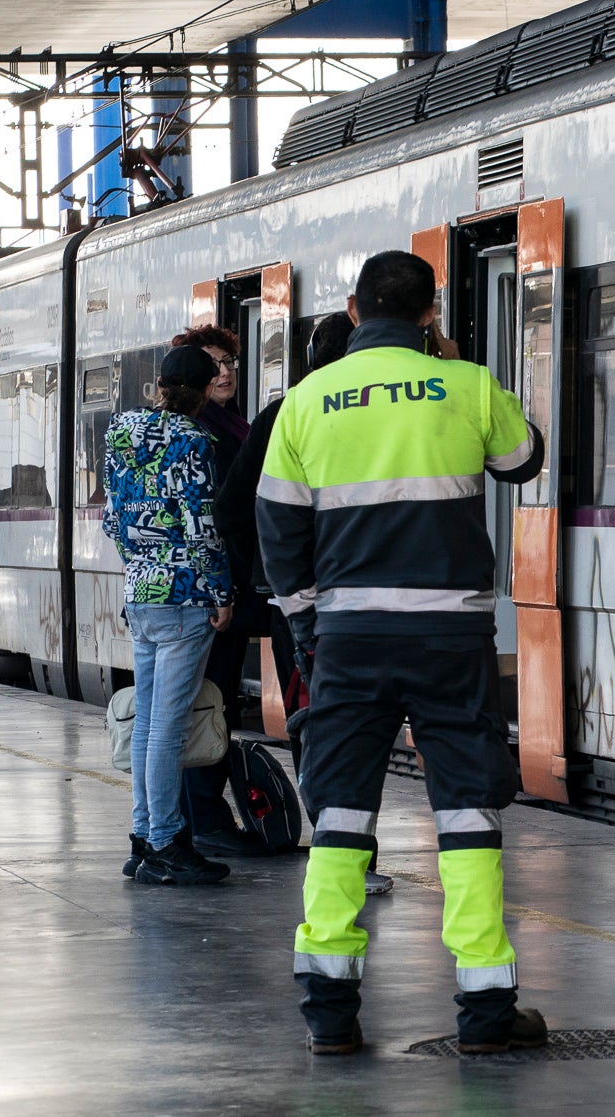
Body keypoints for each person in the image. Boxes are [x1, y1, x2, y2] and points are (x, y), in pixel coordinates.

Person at [258, 251, 548, 1056]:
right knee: (466, 810)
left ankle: (330, 1011)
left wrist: (312, 626)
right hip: (451, 638)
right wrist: (454, 364)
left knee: (342, 814)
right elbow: (525, 458)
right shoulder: (466, 384)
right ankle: (487, 1008)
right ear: (431, 312)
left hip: (349, 639)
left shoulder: (308, 401)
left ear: (353, 311)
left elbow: (279, 530)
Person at [216, 312, 392, 897]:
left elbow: (233, 510)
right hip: (371, 600)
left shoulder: (284, 413)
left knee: (318, 725)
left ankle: (345, 855)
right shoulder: (384, 410)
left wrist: (270, 572)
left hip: (303, 604)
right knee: (356, 728)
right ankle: (348, 856)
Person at [103, 345, 236, 886]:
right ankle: (163, 842)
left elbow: (113, 519)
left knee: (149, 722)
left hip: (141, 592)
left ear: (159, 384)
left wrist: (140, 563)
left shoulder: (120, 434)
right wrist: (221, 591)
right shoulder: (194, 442)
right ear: (205, 390)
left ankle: (142, 837)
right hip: (184, 596)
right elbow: (201, 527)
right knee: (166, 727)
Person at [171, 323, 268, 857]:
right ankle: (203, 814)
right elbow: (206, 518)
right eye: (214, 362)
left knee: (215, 700)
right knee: (208, 701)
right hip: (214, 592)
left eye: (230, 360)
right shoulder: (200, 432)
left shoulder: (230, 423)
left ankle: (202, 813)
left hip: (227, 584)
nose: (226, 370)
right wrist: (218, 589)